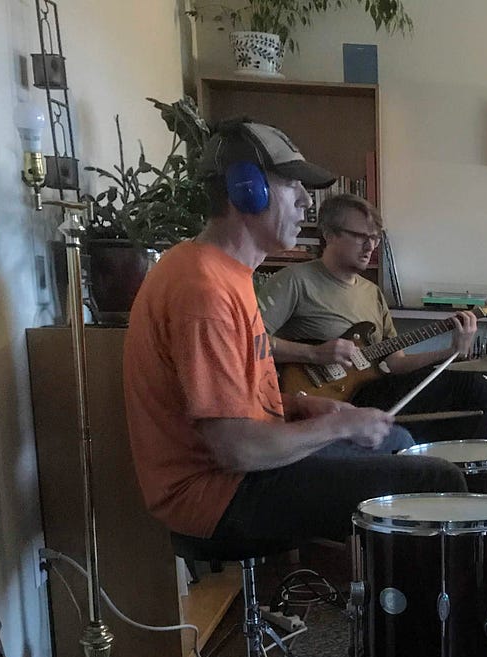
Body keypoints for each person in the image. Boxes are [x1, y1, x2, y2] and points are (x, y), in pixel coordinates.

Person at [123, 119, 466, 549]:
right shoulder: (203, 289)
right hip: (218, 494)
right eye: (291, 185)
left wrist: (303, 406)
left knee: (399, 442)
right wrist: (339, 427)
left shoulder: (227, 274)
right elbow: (237, 449)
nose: (306, 201)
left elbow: (231, 402)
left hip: (240, 472)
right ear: (247, 190)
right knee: (436, 480)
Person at [257, 192, 487, 440]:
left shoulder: (373, 293)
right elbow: (248, 342)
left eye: (374, 238)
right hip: (323, 397)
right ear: (329, 234)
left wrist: (450, 351)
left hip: (370, 389)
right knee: (468, 386)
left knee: (471, 402)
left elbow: (396, 363)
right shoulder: (294, 281)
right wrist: (313, 353)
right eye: (360, 236)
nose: (370, 246)